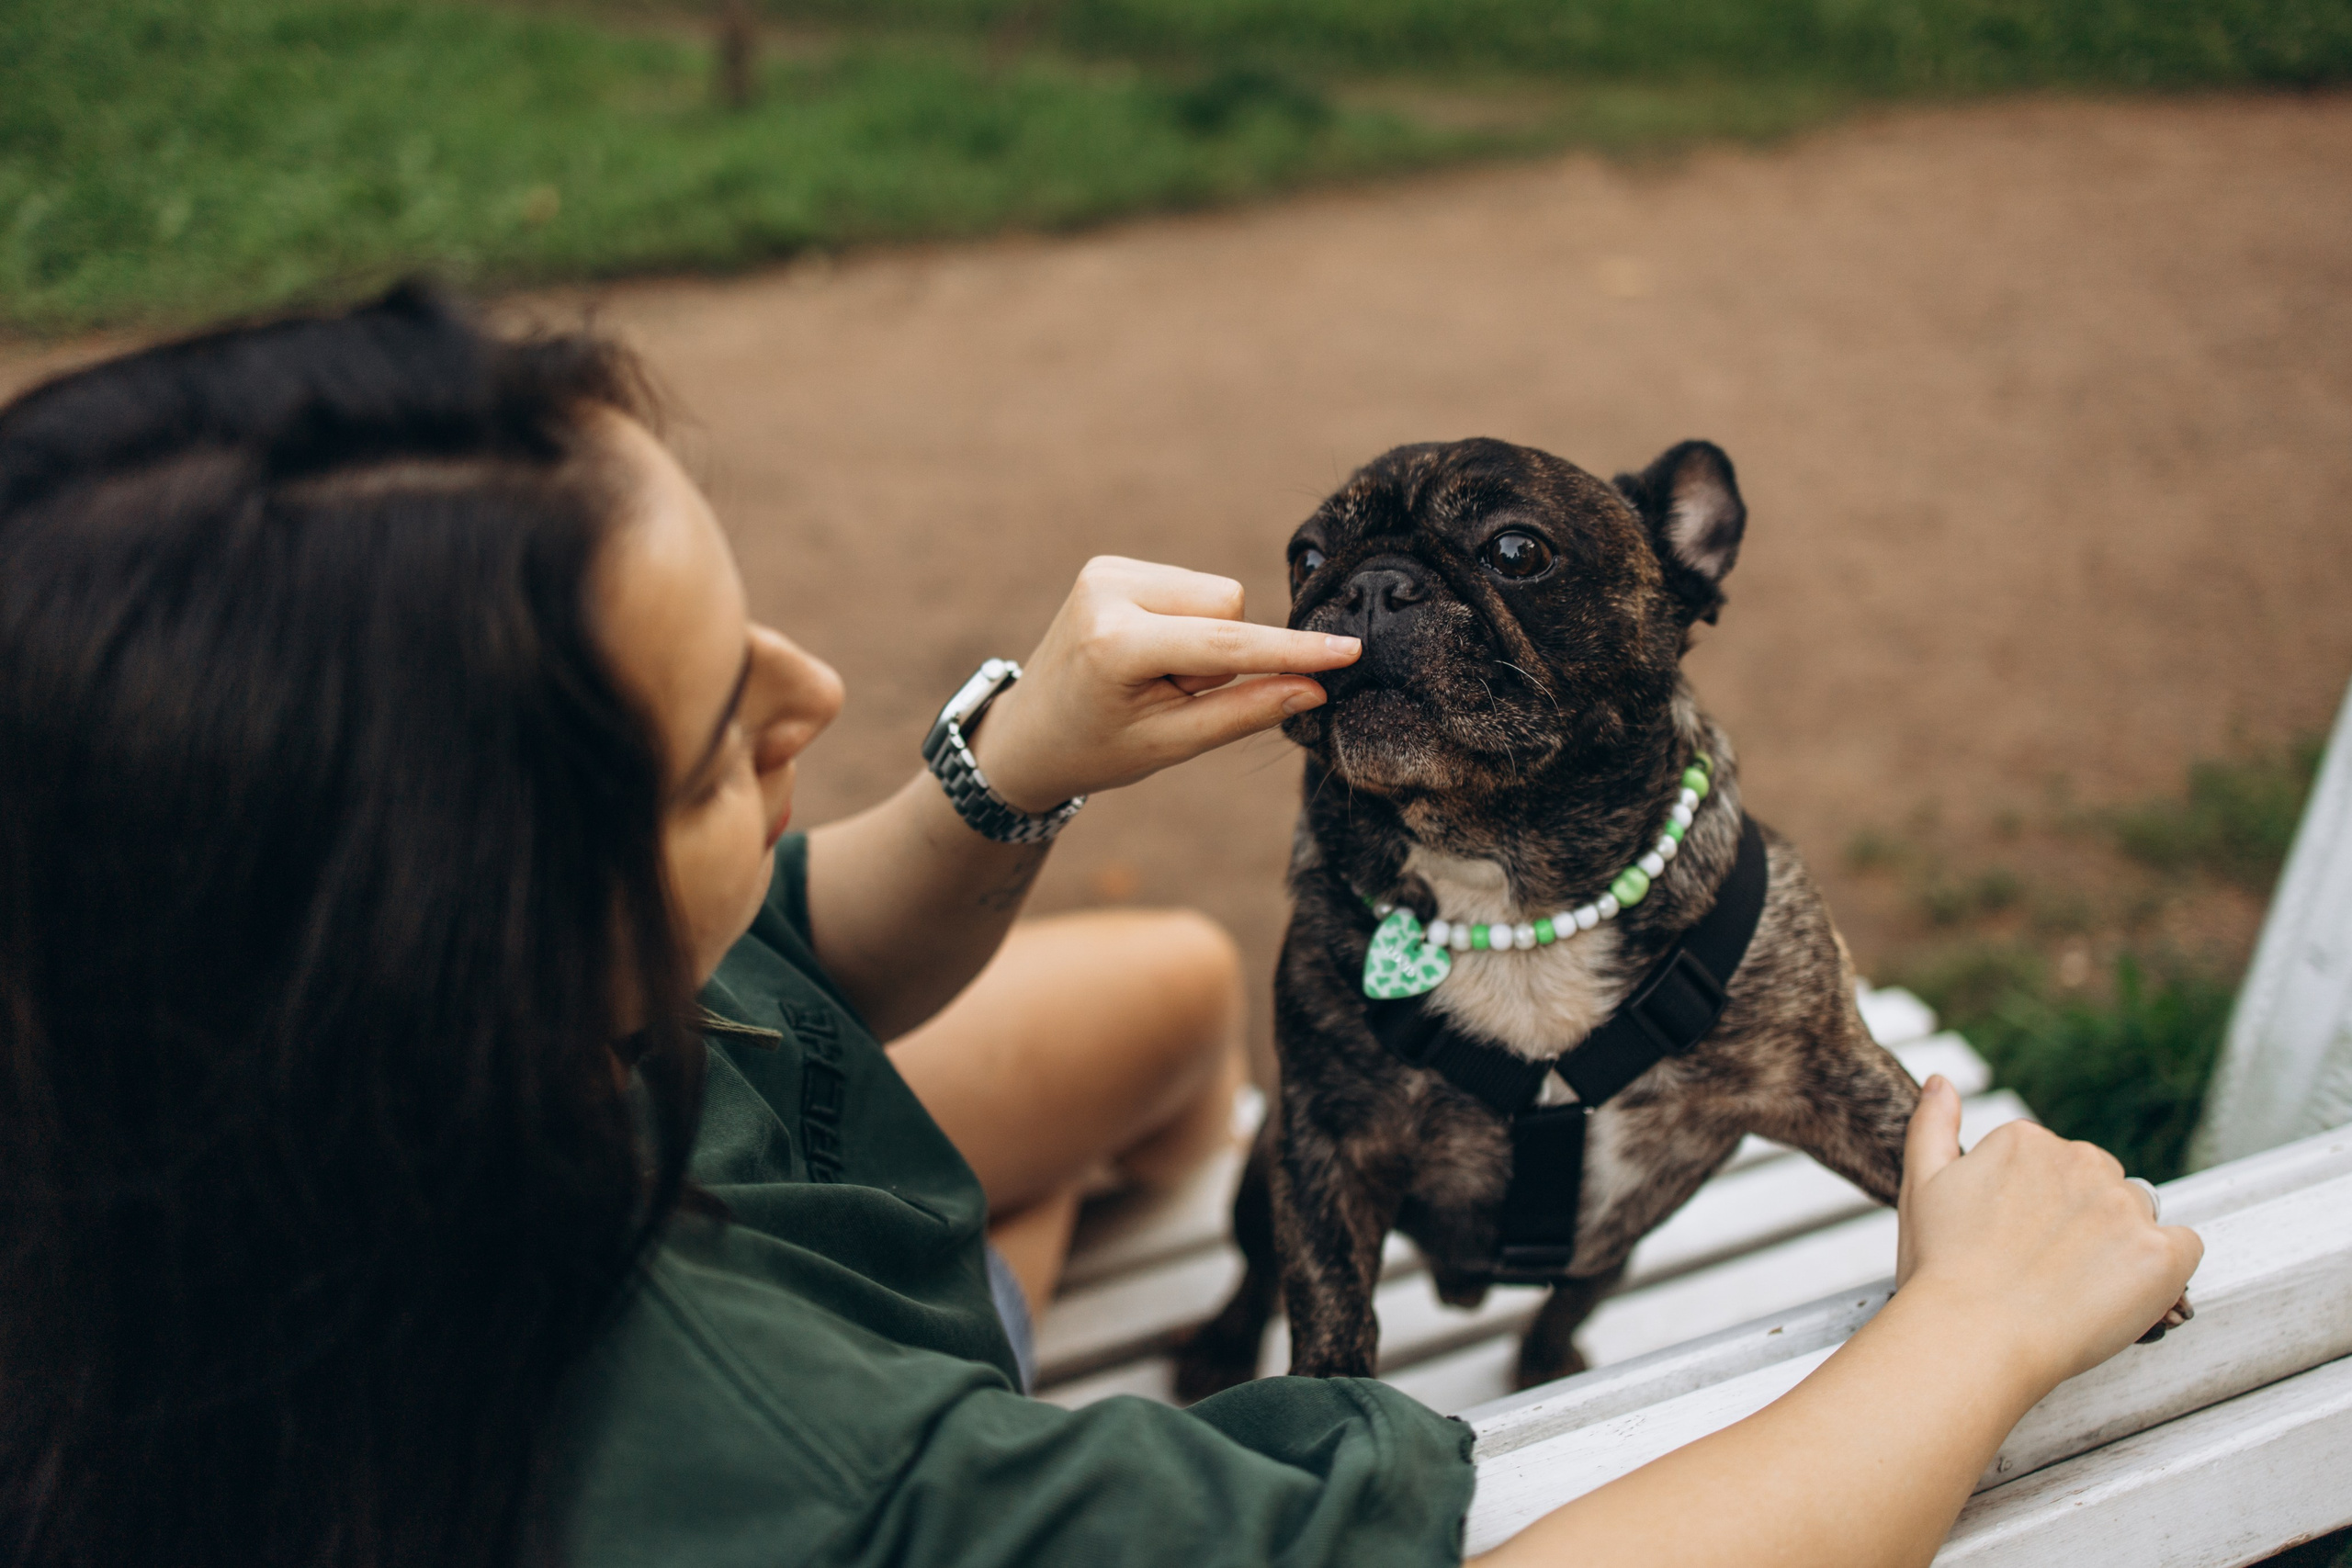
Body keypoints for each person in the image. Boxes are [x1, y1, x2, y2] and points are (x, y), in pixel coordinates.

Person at [0, 288, 2201, 1568]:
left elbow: (816, 931)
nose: (821, 695)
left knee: (1160, 1002)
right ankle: (1006, 1316)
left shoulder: (184, 1036)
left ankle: (998, 1281)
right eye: (702, 745)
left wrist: (1016, 753)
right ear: (465, 960)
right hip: (882, 1439)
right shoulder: (813, 1474)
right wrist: (1966, 1329)